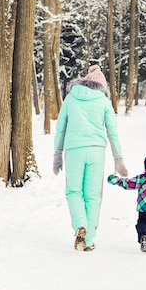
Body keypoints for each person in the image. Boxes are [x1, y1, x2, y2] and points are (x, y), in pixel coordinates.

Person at [53, 65, 128, 252]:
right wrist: (118, 158)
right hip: (96, 151)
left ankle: (80, 225)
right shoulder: (103, 101)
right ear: (102, 85)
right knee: (93, 196)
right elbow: (112, 132)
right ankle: (89, 240)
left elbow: (60, 127)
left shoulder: (71, 97)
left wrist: (57, 153)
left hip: (74, 150)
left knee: (73, 191)